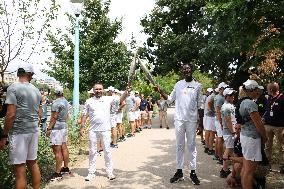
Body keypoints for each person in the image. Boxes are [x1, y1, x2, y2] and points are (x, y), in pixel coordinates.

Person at [155, 63, 202, 185]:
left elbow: (200, 105)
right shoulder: (178, 84)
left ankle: (193, 172)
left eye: (188, 68)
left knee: (192, 146)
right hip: (179, 120)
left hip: (191, 120)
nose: (186, 70)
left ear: (192, 70)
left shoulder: (197, 86)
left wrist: (201, 123)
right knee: (179, 146)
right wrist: (161, 91)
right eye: (184, 69)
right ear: (182, 71)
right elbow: (170, 99)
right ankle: (179, 171)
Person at [0, 63, 42, 189]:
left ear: (18, 73)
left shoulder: (13, 88)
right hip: (33, 131)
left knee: (19, 171)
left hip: (19, 133)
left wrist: (4, 135)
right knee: (33, 163)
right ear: (31, 75)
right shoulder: (36, 90)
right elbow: (39, 113)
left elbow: (11, 114)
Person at [80, 83, 127, 181]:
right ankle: (91, 172)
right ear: (93, 90)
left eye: (100, 89)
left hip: (105, 129)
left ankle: (109, 172)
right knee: (92, 151)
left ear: (103, 90)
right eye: (96, 89)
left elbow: (121, 99)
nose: (98, 91)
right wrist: (82, 127)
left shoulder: (108, 99)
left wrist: (127, 91)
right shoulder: (88, 101)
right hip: (93, 130)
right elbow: (84, 114)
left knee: (107, 151)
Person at [239, 79, 267, 189]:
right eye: (257, 90)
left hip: (246, 136)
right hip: (252, 138)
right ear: (252, 90)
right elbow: (258, 124)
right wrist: (264, 137)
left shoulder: (242, 101)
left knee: (246, 168)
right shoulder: (250, 103)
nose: (258, 93)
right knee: (249, 170)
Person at [46, 86, 70, 181]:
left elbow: (53, 117)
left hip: (57, 128)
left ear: (55, 93)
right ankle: (66, 168)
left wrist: (49, 128)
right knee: (64, 147)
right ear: (63, 93)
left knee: (57, 150)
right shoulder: (66, 102)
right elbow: (67, 116)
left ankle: (57, 172)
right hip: (64, 126)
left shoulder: (56, 103)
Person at [263, 82, 284, 173]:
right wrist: (264, 117)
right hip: (268, 126)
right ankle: (268, 164)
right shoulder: (269, 98)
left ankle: (283, 165)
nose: (267, 90)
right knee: (267, 146)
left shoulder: (282, 98)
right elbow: (267, 110)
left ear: (271, 89)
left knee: (282, 147)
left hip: (279, 127)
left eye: (267, 89)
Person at [220, 88, 236, 178]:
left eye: (233, 95)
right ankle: (224, 170)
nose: (233, 97)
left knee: (230, 150)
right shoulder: (226, 107)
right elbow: (228, 120)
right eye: (230, 95)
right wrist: (233, 131)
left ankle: (225, 169)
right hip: (229, 132)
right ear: (226, 96)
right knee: (228, 150)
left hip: (229, 131)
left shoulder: (228, 105)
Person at [214, 82, 229, 165]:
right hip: (219, 120)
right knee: (220, 139)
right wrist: (221, 122)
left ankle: (217, 154)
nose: (225, 90)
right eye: (224, 88)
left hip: (218, 120)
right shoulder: (220, 98)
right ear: (220, 89)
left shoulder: (218, 97)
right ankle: (220, 157)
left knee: (218, 138)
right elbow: (218, 111)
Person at [203, 88, 215, 155]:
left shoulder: (209, 96)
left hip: (207, 116)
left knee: (208, 132)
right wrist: (213, 111)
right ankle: (210, 149)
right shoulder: (212, 96)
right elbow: (210, 103)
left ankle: (207, 147)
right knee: (212, 133)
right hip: (211, 117)